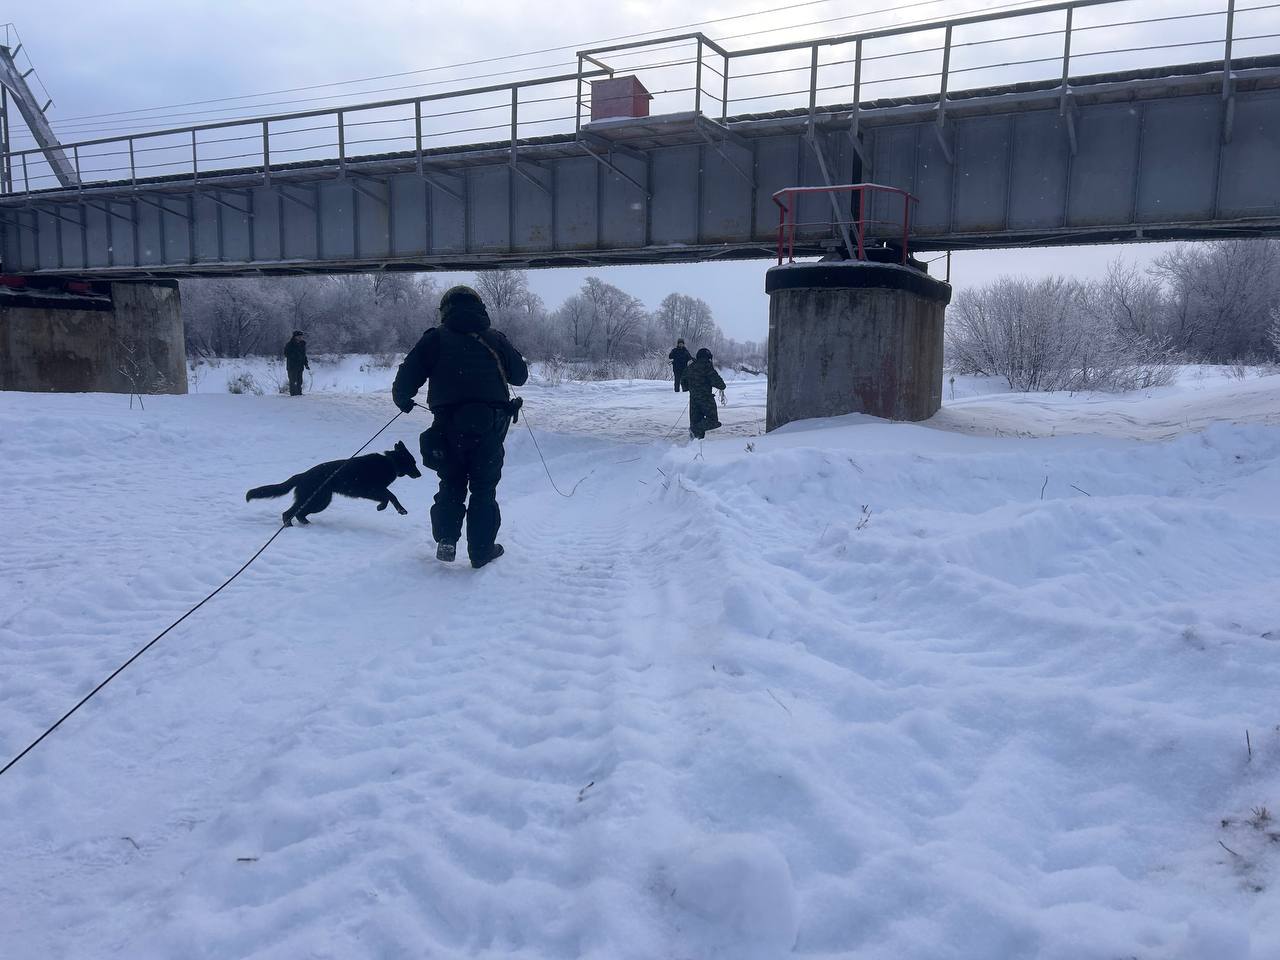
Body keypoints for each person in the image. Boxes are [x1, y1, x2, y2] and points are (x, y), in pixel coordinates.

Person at [392, 285, 528, 569]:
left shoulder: (434, 339)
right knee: (483, 490)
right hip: (489, 428)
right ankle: (481, 551)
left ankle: (446, 539)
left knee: (451, 485)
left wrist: (403, 400)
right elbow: (520, 376)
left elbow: (406, 379)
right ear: (480, 309)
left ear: (445, 310)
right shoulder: (495, 339)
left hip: (447, 428)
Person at [680, 347, 727, 440]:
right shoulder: (707, 367)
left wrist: (689, 388)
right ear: (708, 357)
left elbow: (683, 380)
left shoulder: (690, 367)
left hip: (693, 400)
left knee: (696, 423)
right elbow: (721, 385)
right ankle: (694, 429)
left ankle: (694, 446)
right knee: (713, 421)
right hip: (706, 399)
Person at [283, 330, 309, 396]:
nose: (300, 338)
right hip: (292, 366)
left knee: (300, 381)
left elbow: (304, 355)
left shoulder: (302, 344)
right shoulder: (290, 344)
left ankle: (299, 393)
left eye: (301, 336)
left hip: (300, 366)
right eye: (299, 336)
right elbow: (286, 354)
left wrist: (306, 364)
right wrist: (295, 356)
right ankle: (293, 394)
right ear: (295, 337)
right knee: (293, 381)